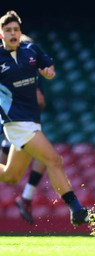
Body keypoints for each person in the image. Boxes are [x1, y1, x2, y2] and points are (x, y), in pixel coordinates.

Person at [0, 10, 89, 226]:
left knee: (11, 175)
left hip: (32, 119)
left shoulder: (31, 49)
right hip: (16, 123)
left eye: (15, 30)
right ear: (1, 34)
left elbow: (48, 66)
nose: (12, 33)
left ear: (20, 32)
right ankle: (77, 210)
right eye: (7, 30)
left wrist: (49, 71)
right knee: (53, 159)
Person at [0, 33, 49, 225]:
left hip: (21, 125)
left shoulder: (34, 74)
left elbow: (41, 103)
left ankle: (27, 198)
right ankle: (27, 198)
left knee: (44, 158)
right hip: (11, 123)